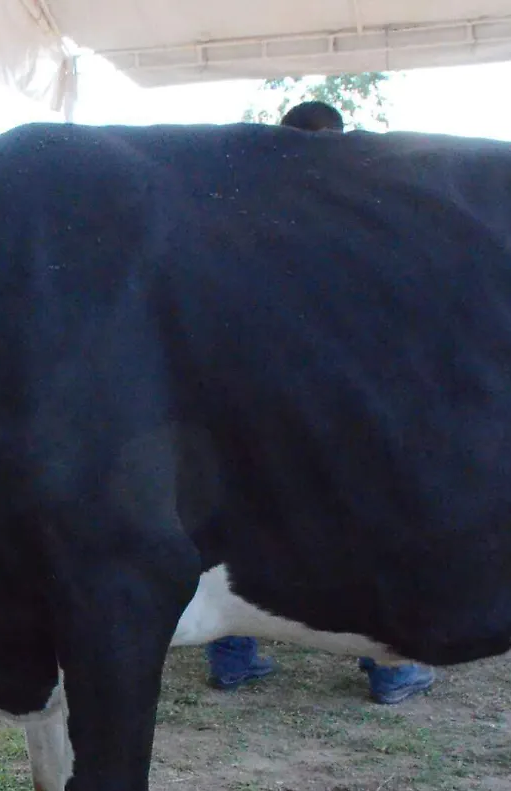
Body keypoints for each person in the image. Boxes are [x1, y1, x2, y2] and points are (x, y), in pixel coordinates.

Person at [205, 100, 437, 706]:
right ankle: (390, 666)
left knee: (240, 514)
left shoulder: (244, 210)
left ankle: (232, 654)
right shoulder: (359, 209)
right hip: (341, 398)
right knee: (364, 523)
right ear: (337, 140)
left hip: (249, 392)